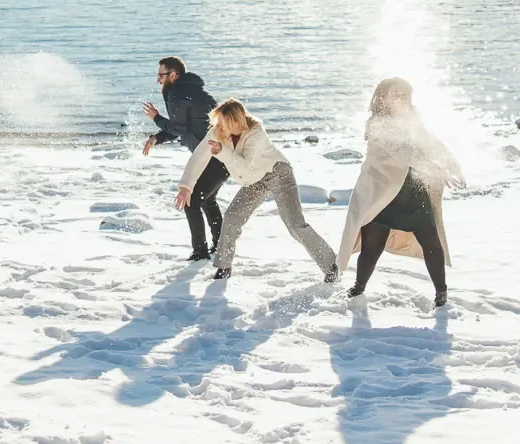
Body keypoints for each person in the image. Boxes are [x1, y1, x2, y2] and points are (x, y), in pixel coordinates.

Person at [336, 78, 463, 308]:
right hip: (381, 194)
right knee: (372, 247)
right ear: (382, 97)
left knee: (432, 243)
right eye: (396, 94)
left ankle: (441, 293)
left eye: (405, 95)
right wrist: (435, 169)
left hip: (412, 192)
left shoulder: (413, 120)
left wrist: (453, 166)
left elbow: (430, 143)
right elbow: (404, 151)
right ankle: (359, 288)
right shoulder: (376, 124)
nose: (401, 99)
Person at [177, 99, 337, 281]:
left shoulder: (256, 134)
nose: (218, 127)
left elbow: (245, 168)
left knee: (295, 226)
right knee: (232, 218)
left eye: (223, 123)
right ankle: (223, 268)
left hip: (278, 174)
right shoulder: (217, 131)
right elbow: (199, 157)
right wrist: (185, 186)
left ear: (236, 121)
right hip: (254, 181)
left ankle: (331, 265)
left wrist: (222, 151)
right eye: (218, 122)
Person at [143, 56, 228, 260]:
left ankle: (201, 252)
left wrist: (156, 118)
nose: (158, 80)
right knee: (207, 201)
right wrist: (157, 138)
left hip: (215, 158)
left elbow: (178, 127)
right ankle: (220, 246)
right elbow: (183, 127)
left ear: (174, 75)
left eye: (161, 75)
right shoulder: (190, 91)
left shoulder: (177, 94)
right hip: (221, 157)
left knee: (191, 202)